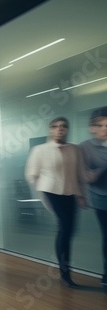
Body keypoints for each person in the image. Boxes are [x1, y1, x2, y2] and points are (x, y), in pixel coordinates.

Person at [25, 117, 88, 288]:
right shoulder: (40, 149)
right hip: (50, 191)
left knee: (68, 230)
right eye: (55, 126)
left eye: (63, 126)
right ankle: (65, 273)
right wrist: (41, 190)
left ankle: (64, 270)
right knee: (64, 227)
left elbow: (80, 174)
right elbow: (31, 174)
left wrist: (82, 195)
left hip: (71, 192)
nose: (60, 129)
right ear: (50, 130)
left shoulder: (75, 149)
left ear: (67, 129)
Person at [80, 106, 107, 288]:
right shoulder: (85, 147)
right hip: (102, 199)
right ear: (92, 128)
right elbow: (85, 176)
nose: (105, 128)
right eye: (100, 125)